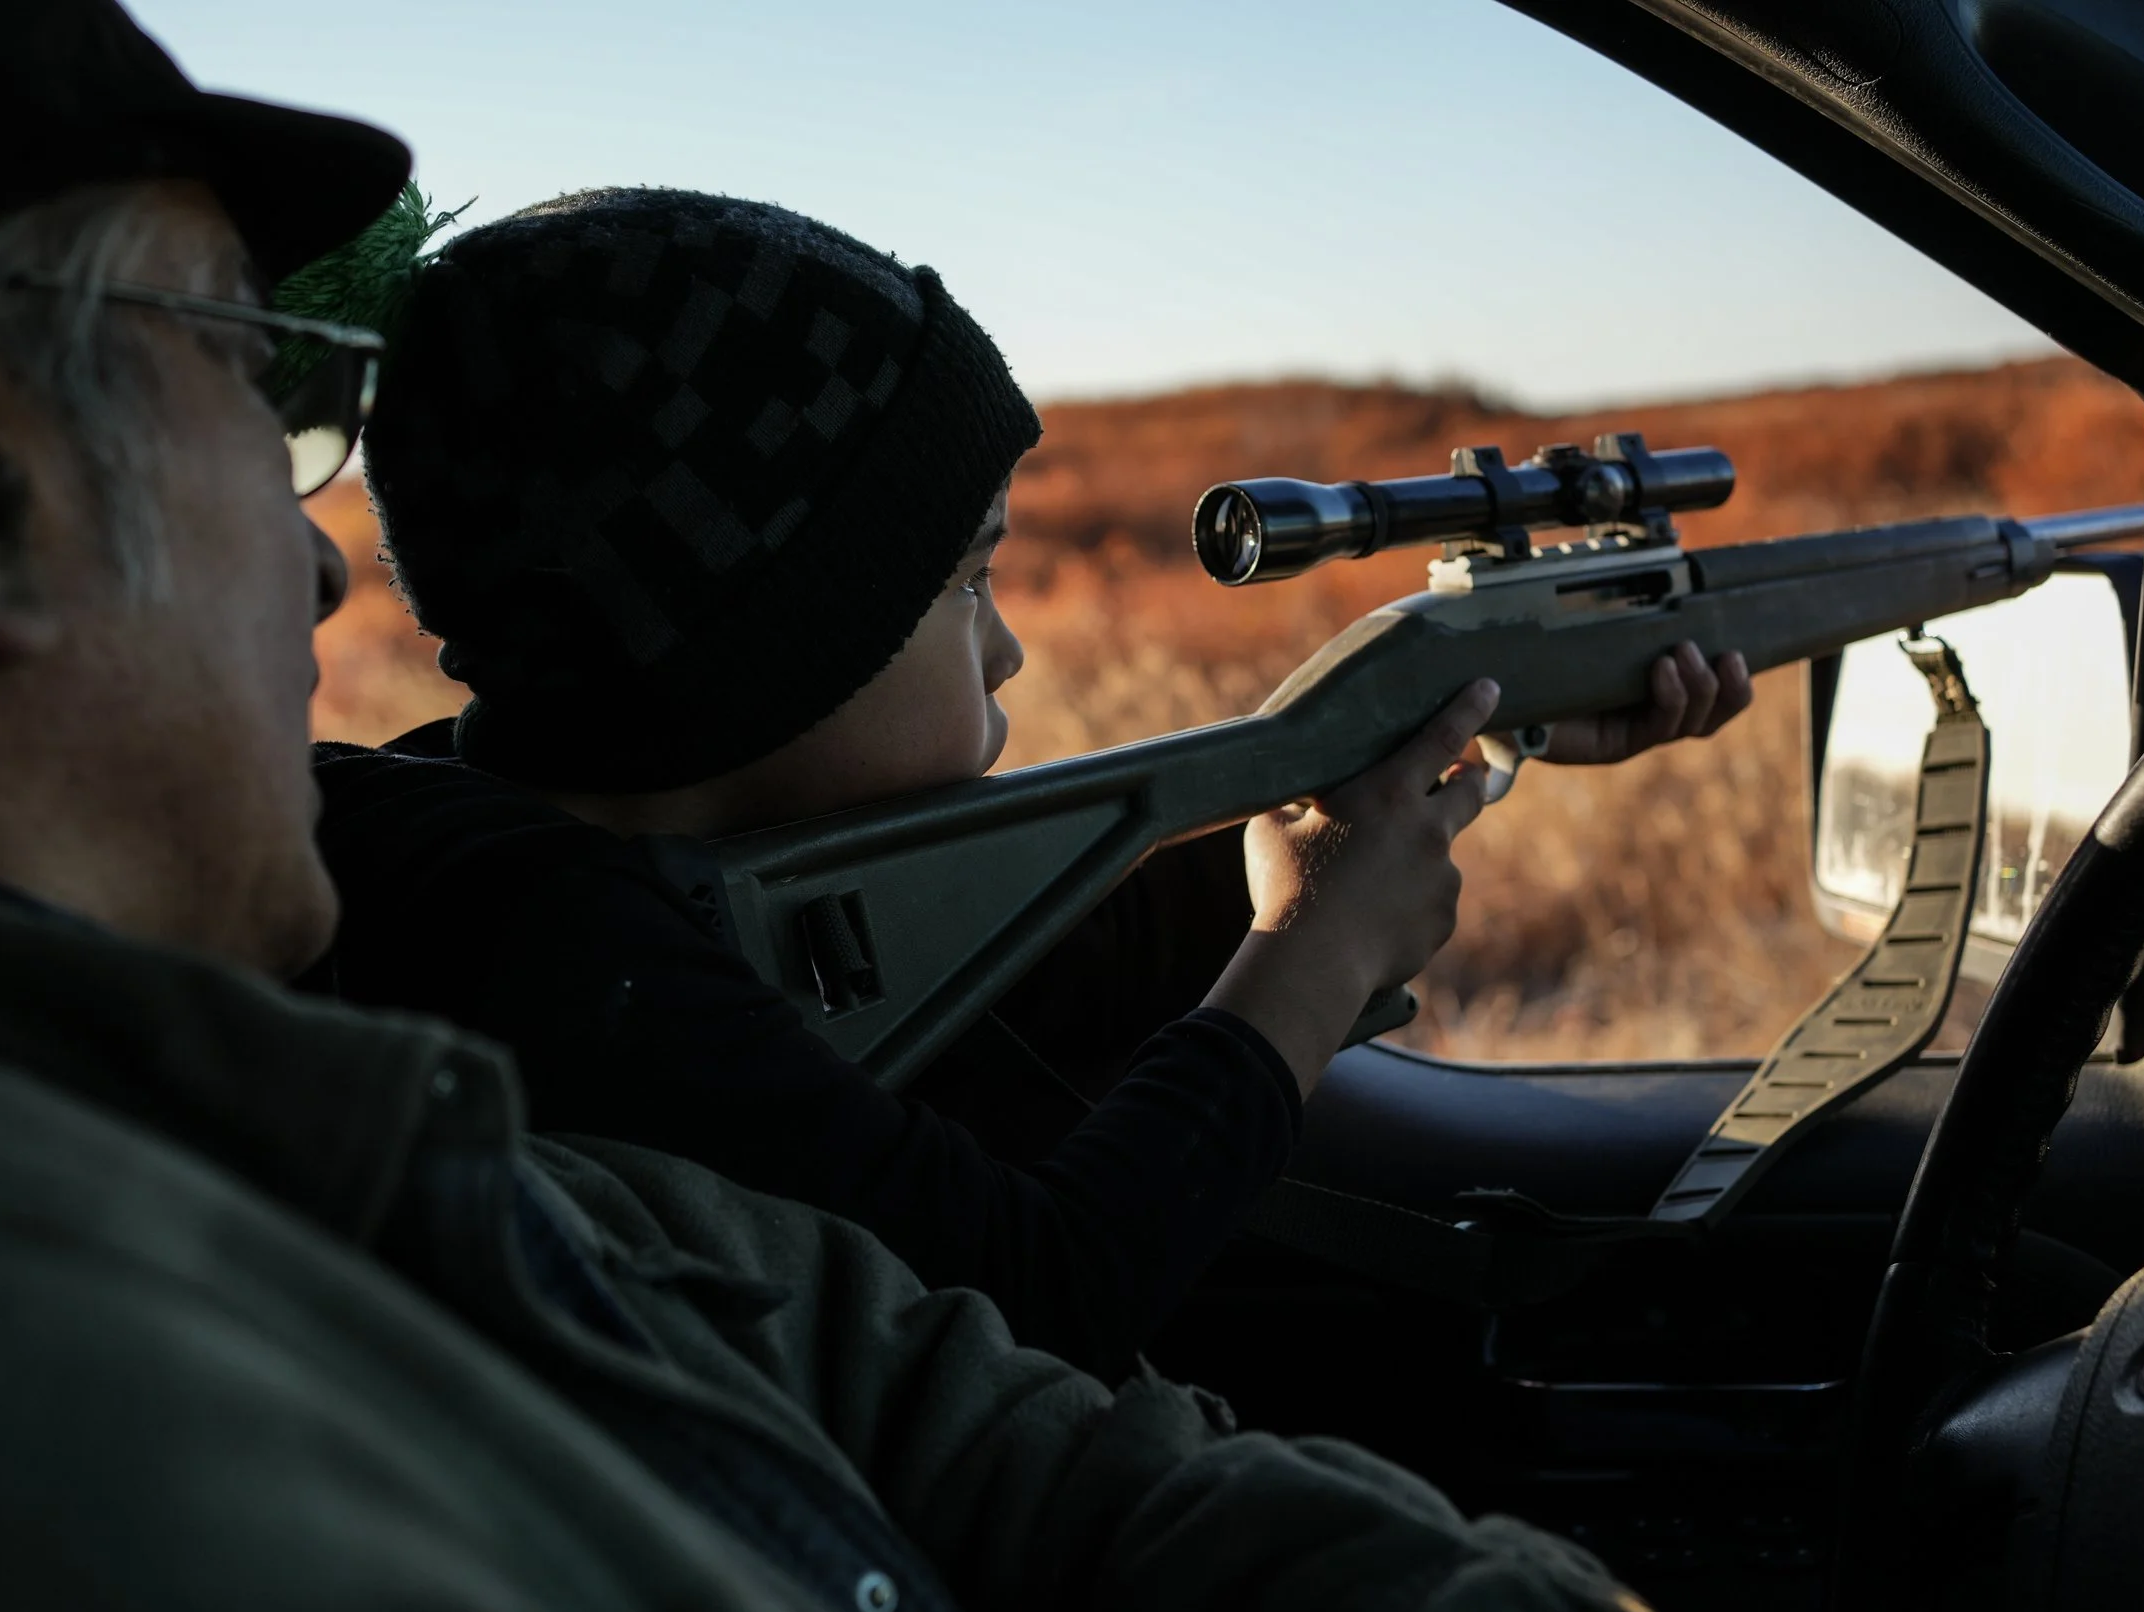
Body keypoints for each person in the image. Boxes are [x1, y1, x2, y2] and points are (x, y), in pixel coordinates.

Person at [0, 6, 1695, 1612]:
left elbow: (971, 1401)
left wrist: (1332, 820)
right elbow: (1024, 1281)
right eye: (248, 372)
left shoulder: (299, 1077)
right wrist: (1312, 954)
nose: (315, 568)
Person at [307, 187, 1754, 1375]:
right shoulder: (544, 959)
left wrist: (1444, 747)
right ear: (769, 650)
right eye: (965, 580)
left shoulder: (583, 852)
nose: (1003, 648)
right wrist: (1306, 971)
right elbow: (1029, 1295)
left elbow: (1054, 962)